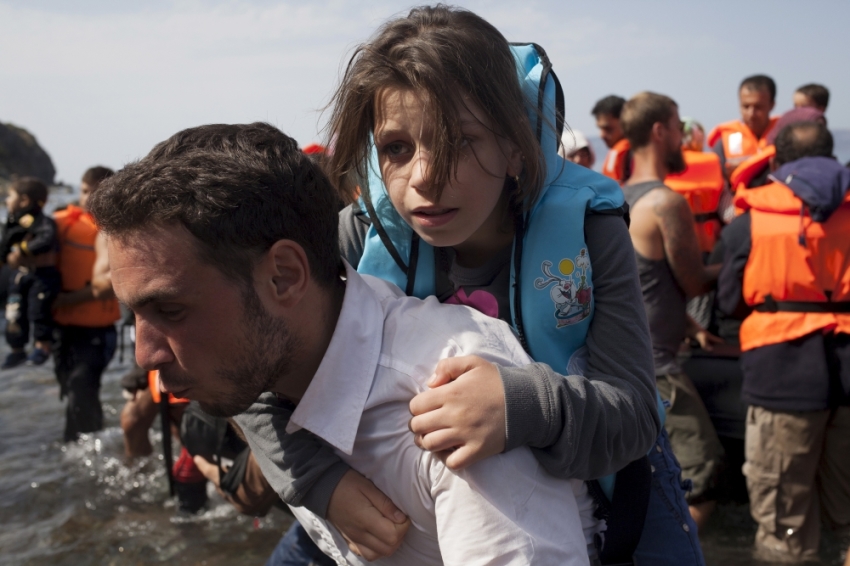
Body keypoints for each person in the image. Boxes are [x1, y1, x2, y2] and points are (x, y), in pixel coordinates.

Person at [238, 7, 703, 566]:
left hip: (614, 485)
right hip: (401, 484)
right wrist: (319, 482)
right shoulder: (360, 235)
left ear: (515, 145)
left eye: (459, 141)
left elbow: (633, 414)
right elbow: (247, 366)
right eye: (396, 148)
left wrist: (522, 403)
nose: (424, 177)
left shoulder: (589, 232)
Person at [92, 122, 599, 566]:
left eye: (171, 311)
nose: (145, 355)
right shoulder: (278, 367)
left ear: (285, 276)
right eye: (133, 313)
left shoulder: (452, 412)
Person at [717, 120, 850, 563]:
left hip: (782, 377)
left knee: (783, 524)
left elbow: (731, 300)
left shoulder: (752, 221)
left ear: (778, 160)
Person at [621, 92, 726, 530]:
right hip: (660, 369)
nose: (684, 137)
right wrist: (744, 253)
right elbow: (695, 280)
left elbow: (638, 282)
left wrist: (689, 324)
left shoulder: (619, 197)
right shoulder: (666, 203)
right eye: (678, 126)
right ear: (660, 131)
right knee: (704, 472)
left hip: (626, 359)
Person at [51, 166, 121, 441]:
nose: (88, 198)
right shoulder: (61, 223)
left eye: (96, 192)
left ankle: (91, 446)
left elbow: (107, 287)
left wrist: (68, 299)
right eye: (84, 191)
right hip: (63, 327)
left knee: (82, 385)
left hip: (97, 331)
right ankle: (74, 445)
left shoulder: (115, 231)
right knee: (70, 388)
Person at [1, 177, 61, 368]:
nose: (6, 201)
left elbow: (46, 239)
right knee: (14, 313)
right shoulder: (12, 223)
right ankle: (16, 350)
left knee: (39, 312)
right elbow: (4, 246)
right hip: (20, 276)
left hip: (42, 277)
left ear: (25, 200)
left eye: (10, 196)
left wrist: (23, 250)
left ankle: (42, 347)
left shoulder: (42, 222)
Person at [664, 118, 726, 254]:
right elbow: (728, 213)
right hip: (712, 243)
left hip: (677, 243)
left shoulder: (664, 166)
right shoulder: (713, 162)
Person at [708, 75, 779, 180]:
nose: (751, 114)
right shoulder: (723, 143)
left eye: (758, 107)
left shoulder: (786, 137)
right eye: (746, 106)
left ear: (772, 105)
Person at [592, 95, 632, 184]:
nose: (601, 135)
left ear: (625, 122)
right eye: (600, 129)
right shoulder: (619, 152)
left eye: (608, 129)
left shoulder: (634, 156)